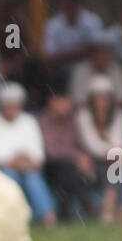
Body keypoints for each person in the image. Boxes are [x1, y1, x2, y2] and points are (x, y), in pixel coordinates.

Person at [0, 82, 56, 226]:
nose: (11, 108)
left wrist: (25, 160)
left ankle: (48, 218)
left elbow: (38, 153)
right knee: (10, 178)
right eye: (7, 104)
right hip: (3, 168)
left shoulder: (29, 121)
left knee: (33, 178)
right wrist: (12, 160)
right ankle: (12, 220)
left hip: (28, 167)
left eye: (14, 104)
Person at [75, 75, 122, 223]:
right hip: (90, 161)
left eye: (105, 98)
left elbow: (120, 143)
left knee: (117, 167)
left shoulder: (119, 115)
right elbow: (92, 146)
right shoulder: (83, 116)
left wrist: (108, 142)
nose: (101, 101)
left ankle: (109, 211)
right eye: (98, 97)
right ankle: (115, 211)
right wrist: (109, 146)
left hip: (112, 160)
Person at [39, 91, 98, 222]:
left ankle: (68, 214)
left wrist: (84, 158)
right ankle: (87, 205)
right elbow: (51, 151)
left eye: (66, 101)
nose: (65, 105)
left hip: (71, 166)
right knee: (70, 170)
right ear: (51, 102)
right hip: (50, 165)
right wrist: (77, 157)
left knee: (73, 172)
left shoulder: (73, 120)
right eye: (61, 101)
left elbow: (81, 144)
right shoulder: (43, 121)